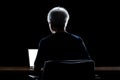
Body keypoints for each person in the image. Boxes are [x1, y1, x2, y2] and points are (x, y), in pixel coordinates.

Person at [34, 6, 91, 77]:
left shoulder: (44, 42)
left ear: (50, 23)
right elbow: (88, 64)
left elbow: (36, 69)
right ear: (66, 22)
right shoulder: (77, 40)